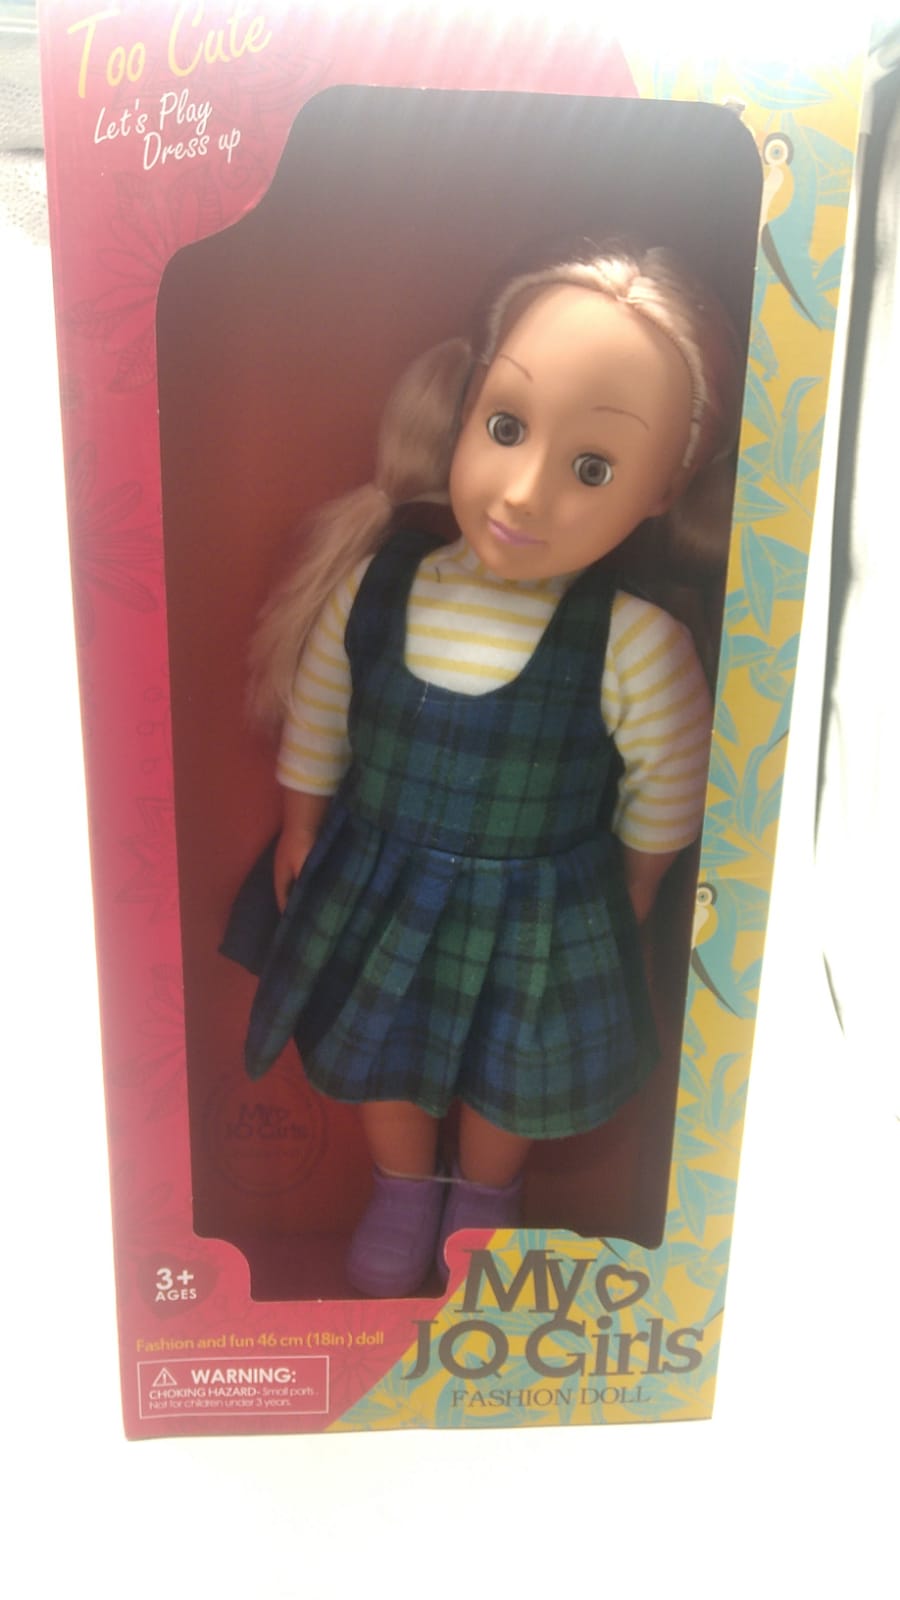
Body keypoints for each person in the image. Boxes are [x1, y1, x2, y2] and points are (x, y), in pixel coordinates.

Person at [222, 240, 742, 1297]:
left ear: (662, 492)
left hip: (542, 911)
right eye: (506, 427)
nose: (525, 491)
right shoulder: (381, 584)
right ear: (464, 410)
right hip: (380, 882)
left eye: (593, 469)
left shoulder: (632, 640)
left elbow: (669, 781)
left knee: (515, 1075)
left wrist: (636, 886)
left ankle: (485, 1199)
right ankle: (401, 1189)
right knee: (379, 1051)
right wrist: (301, 821)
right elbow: (323, 710)